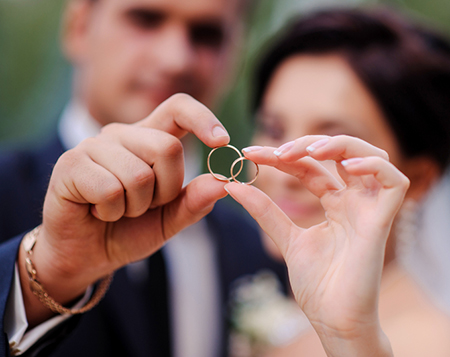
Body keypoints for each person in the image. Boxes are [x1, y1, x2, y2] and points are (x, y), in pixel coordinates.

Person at [0, 1, 287, 356]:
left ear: (235, 54)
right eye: (145, 19)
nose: (176, 58)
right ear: (78, 27)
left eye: (207, 35)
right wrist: (47, 274)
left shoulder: (260, 249)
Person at [226, 7, 450, 356]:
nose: (286, 167)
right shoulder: (263, 293)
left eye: (329, 147)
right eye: (273, 130)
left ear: (418, 179)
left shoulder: (428, 341)